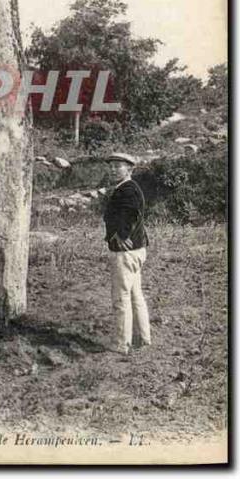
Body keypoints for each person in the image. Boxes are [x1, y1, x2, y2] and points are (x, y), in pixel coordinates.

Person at [102, 152, 151, 355]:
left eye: (118, 166)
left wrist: (120, 235)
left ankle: (122, 343)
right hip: (136, 250)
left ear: (129, 169)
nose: (113, 169)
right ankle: (143, 337)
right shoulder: (127, 188)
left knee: (121, 298)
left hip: (126, 252)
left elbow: (131, 213)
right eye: (111, 166)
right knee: (134, 295)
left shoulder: (128, 189)